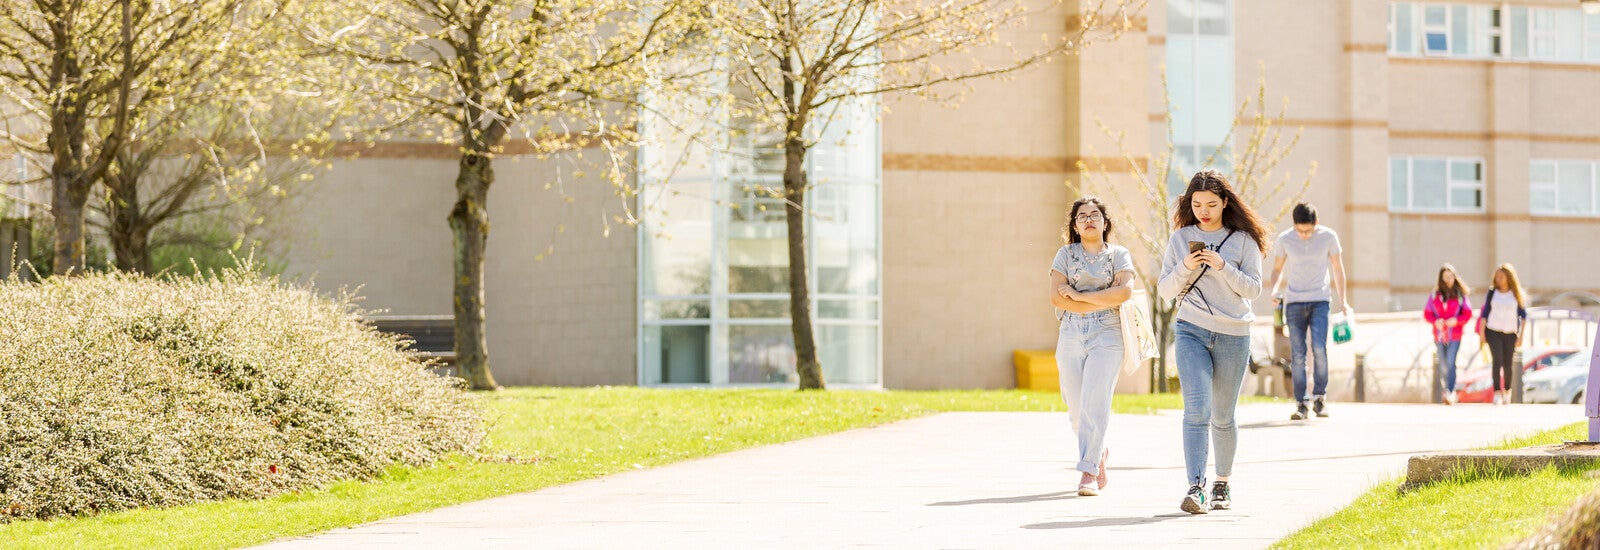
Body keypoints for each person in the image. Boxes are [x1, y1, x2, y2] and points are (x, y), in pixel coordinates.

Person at [1157, 169, 1268, 514]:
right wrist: (1185, 267)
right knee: (1196, 410)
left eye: (1211, 204)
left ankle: (1222, 481)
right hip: (1191, 329)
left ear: (1224, 203)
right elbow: (1164, 290)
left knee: (1222, 416)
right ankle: (1196, 487)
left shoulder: (1243, 241)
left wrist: (1222, 266)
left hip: (1234, 333)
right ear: (1189, 204)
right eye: (1197, 203)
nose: (1203, 210)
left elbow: (1253, 289)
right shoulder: (1180, 239)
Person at [1049, 196, 1137, 497]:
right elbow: (1057, 298)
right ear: (1074, 225)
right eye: (1082, 216)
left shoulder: (1119, 255)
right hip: (1071, 332)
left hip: (1108, 334)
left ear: (1105, 222)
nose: (1089, 219)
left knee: (1094, 403)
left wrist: (1079, 298)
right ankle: (1098, 453)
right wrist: (1099, 297)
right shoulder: (1065, 254)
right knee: (1076, 410)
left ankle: (1087, 471)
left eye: (1095, 215)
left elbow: (1124, 293)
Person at [1265, 203, 1350, 420]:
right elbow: (1276, 270)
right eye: (1299, 230)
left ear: (1316, 223)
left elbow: (1338, 270)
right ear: (1293, 225)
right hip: (1294, 302)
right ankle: (1301, 403)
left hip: (1320, 300)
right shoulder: (1285, 239)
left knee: (1319, 349)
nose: (1303, 235)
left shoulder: (1329, 237)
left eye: (1308, 230)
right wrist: (1273, 291)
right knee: (1298, 354)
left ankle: (1319, 398)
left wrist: (1343, 301)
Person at [1477, 264, 1527, 405]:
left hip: (1510, 332)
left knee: (1507, 364)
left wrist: (1521, 335)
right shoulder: (1492, 293)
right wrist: (1482, 333)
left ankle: (1507, 391)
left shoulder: (1516, 294)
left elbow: (1523, 316)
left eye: (1501, 276)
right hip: (1493, 330)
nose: (1498, 279)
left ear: (1508, 277)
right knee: (1497, 361)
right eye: (1497, 276)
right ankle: (1497, 392)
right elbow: (1485, 313)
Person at [1423, 264, 1473, 405]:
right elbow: (1427, 313)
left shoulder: (1460, 295)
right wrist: (1435, 321)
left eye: (1450, 276)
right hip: (1439, 335)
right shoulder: (1435, 295)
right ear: (1441, 278)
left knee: (1451, 362)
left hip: (1454, 335)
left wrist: (1456, 321)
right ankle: (1447, 389)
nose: (1448, 280)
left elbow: (1468, 313)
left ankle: (1450, 391)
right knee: (1443, 364)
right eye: (1445, 277)